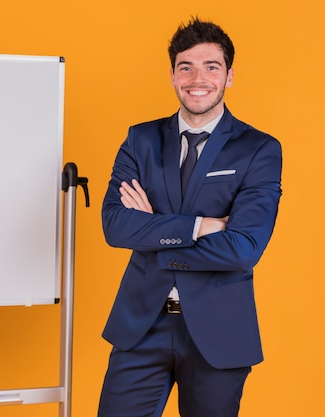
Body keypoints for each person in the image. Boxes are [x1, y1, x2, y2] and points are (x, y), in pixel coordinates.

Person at [98, 17, 282, 417]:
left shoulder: (259, 149)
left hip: (218, 332)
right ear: (172, 75)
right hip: (140, 327)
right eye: (186, 67)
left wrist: (152, 235)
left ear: (229, 76)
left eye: (211, 67)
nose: (198, 78)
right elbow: (115, 225)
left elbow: (243, 248)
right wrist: (202, 225)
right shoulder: (140, 140)